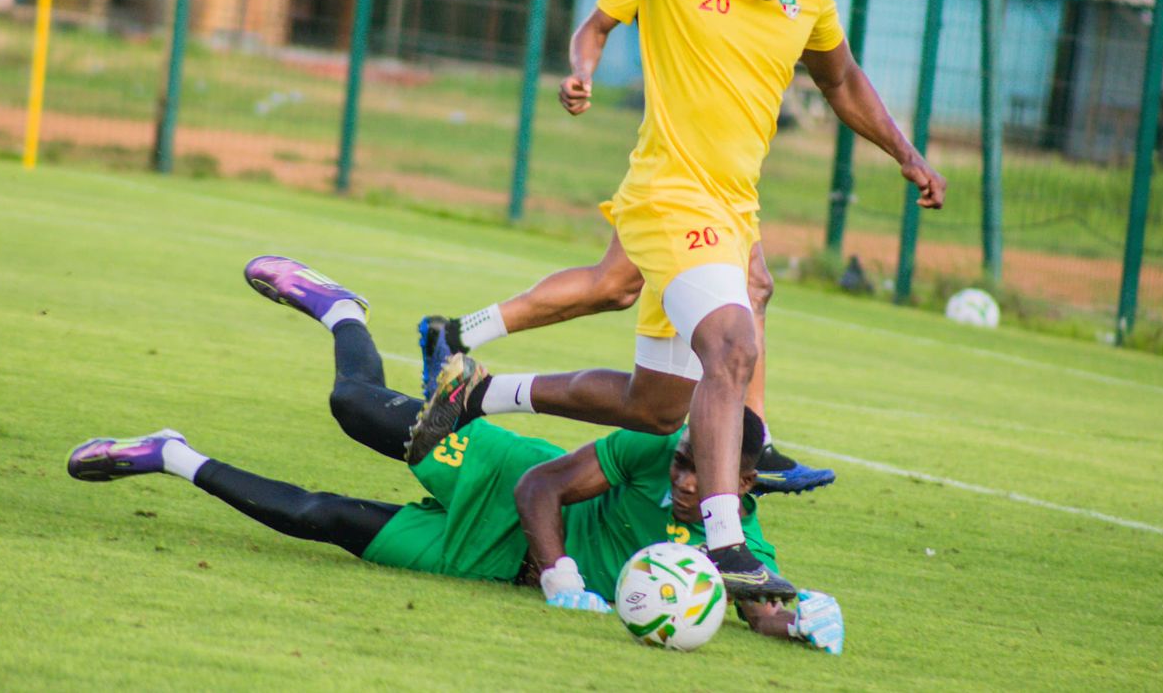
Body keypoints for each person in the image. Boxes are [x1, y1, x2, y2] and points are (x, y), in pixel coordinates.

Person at [370, 0, 945, 602]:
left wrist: (905, 152)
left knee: (656, 407)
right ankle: (726, 541)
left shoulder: (808, 2)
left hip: (730, 210)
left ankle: (478, 392)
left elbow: (841, 81)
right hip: (670, 200)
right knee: (734, 347)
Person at [65, 256, 843, 651]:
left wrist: (803, 620)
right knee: (355, 407)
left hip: (493, 562)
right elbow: (542, 485)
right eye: (679, 462)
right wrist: (563, 572)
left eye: (695, 469)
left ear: (740, 484)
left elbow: (759, 611)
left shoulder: (742, 546)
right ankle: (338, 309)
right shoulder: (648, 446)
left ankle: (170, 456)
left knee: (323, 517)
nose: (681, 476)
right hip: (504, 476)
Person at [417, 0, 832, 497]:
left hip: (723, 185)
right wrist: (581, 69)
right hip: (674, 180)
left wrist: (903, 152)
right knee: (743, 288)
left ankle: (458, 342)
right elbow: (591, 12)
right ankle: (748, 460)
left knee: (625, 308)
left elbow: (837, 72)